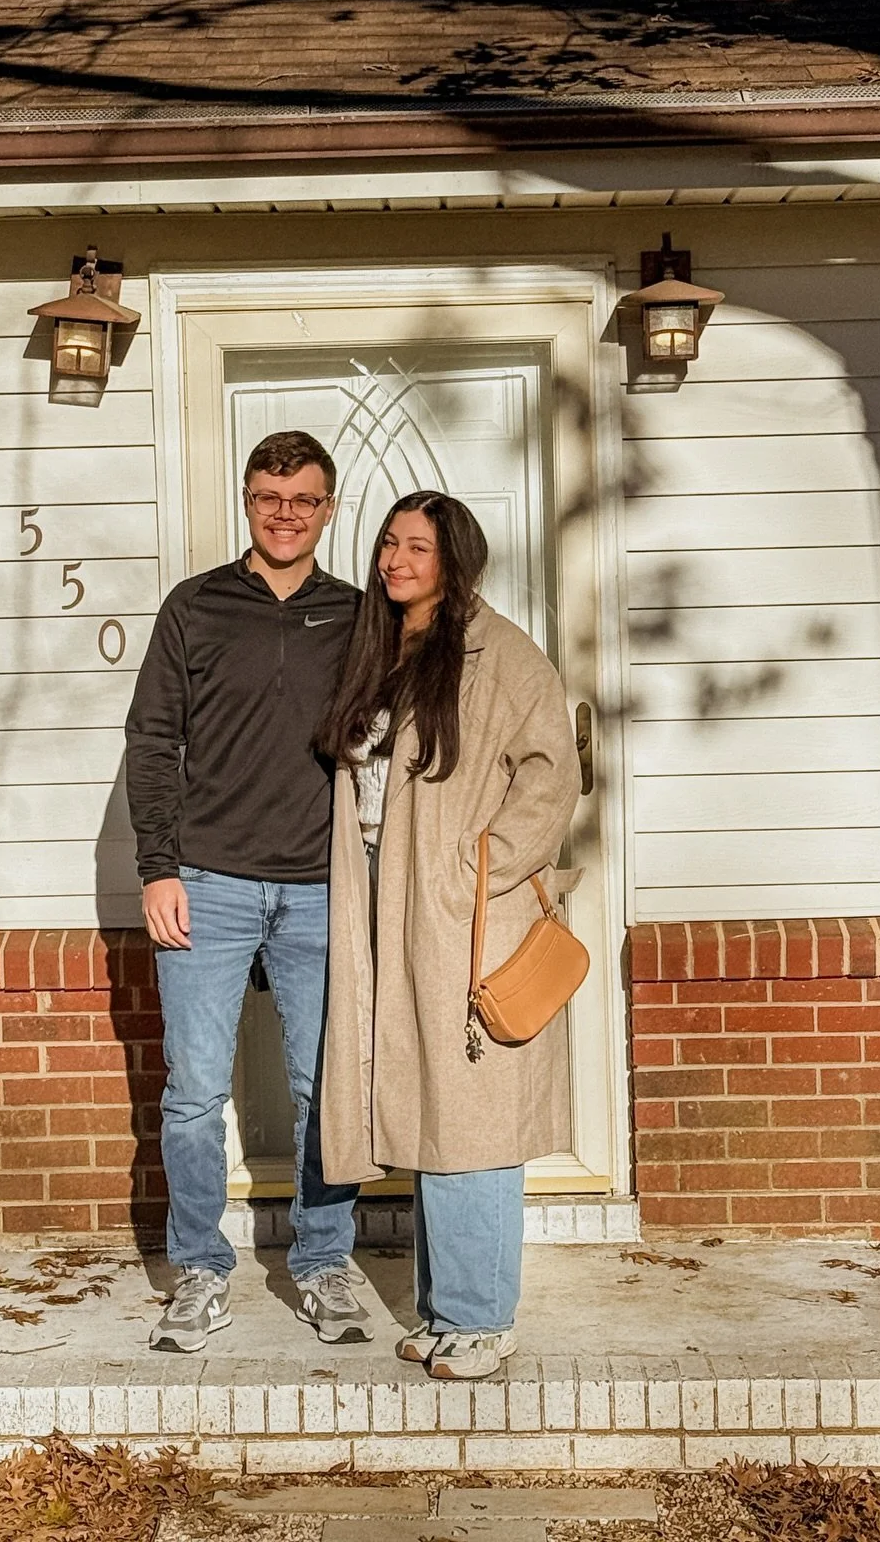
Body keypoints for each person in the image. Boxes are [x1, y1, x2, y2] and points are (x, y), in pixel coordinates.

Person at [315, 491, 580, 1381]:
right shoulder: (386, 651)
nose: (395, 559)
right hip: (389, 906)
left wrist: (480, 871)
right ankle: (445, 1308)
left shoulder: (500, 653)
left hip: (463, 915)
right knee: (431, 1105)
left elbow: (550, 776)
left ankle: (482, 1318)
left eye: (417, 547)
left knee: (472, 1117)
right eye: (389, 543)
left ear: (455, 557)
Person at [126, 430, 369, 1352]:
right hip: (207, 884)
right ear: (247, 499)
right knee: (192, 1095)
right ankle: (198, 1270)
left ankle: (322, 1264)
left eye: (304, 500)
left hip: (321, 886)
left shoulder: (356, 614)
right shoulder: (195, 607)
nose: (286, 514)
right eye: (270, 498)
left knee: (323, 1088)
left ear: (328, 508)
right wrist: (158, 867)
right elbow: (152, 741)